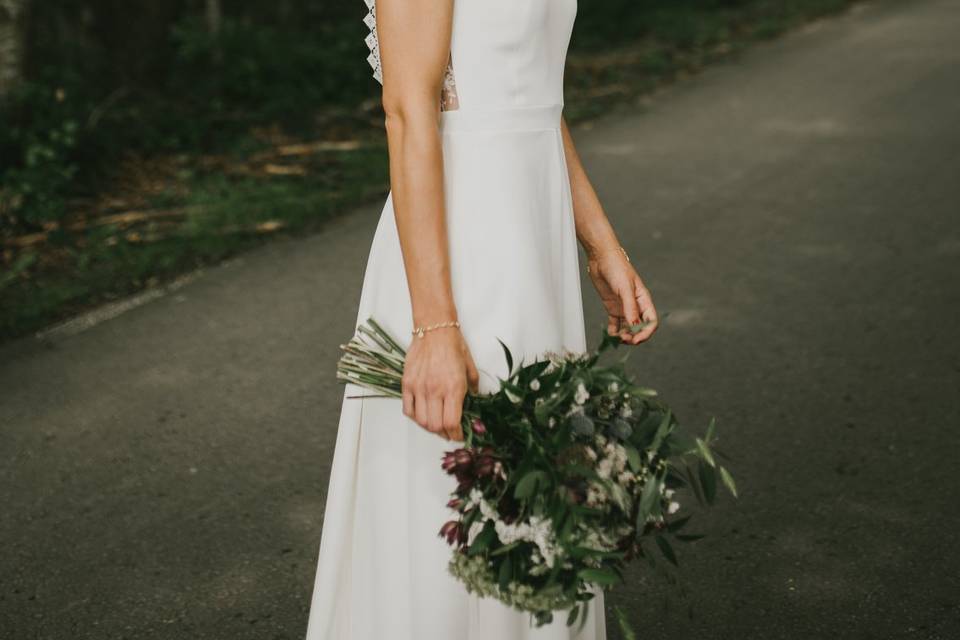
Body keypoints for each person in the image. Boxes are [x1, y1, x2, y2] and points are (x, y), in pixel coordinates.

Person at [306, 1, 658, 638]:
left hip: (534, 238)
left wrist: (601, 245)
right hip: (463, 252)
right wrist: (435, 327)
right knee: (458, 501)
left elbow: (533, 99)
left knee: (538, 499)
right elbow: (409, 110)